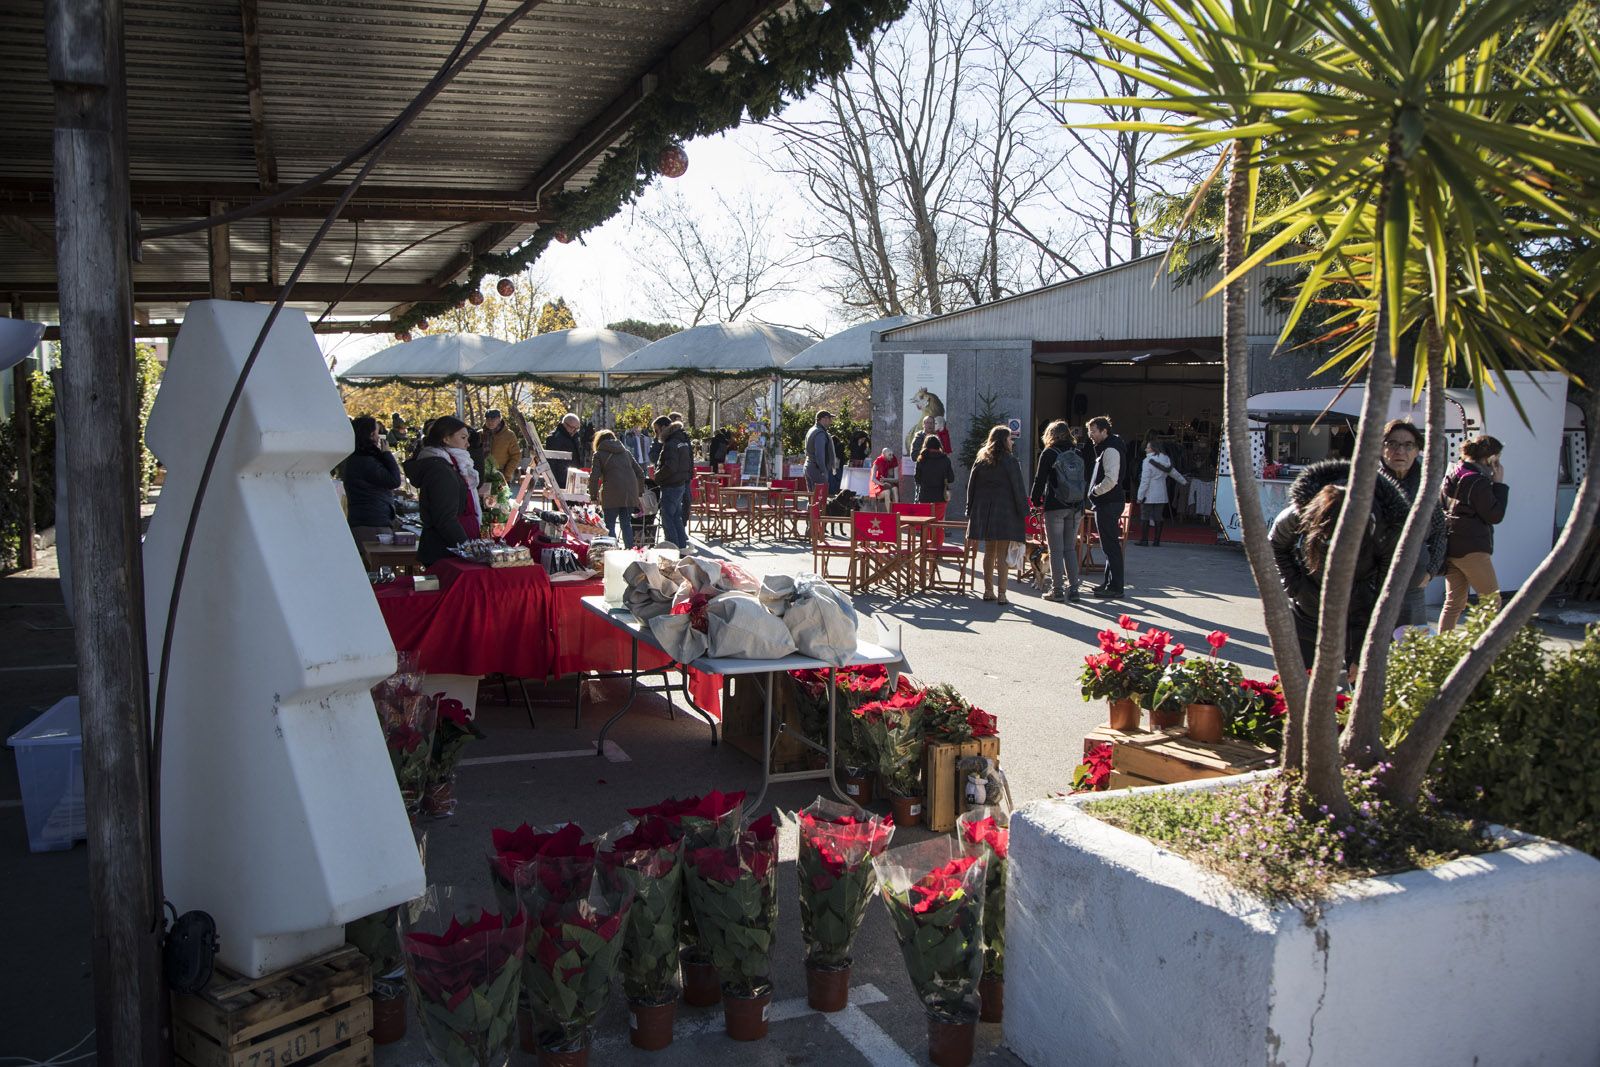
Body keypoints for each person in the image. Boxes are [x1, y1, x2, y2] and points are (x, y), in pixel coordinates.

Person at [1269, 459, 1407, 670]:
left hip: (1359, 613)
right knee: (1300, 677)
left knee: (1359, 683)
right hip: (1308, 608)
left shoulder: (1387, 529)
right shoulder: (1301, 514)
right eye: (1329, 539)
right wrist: (1295, 585)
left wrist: (1362, 649)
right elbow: (1275, 544)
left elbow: (1386, 589)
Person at [1379, 418, 1448, 627]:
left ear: (1417, 450)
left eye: (1408, 445)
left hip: (1413, 588)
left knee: (1409, 650)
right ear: (1382, 449)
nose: (1400, 451)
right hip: (1372, 587)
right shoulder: (1369, 485)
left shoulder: (1425, 488)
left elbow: (1439, 531)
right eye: (1392, 444)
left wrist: (1431, 570)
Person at [1439, 434, 1509, 631]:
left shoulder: (1454, 473)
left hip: (1452, 546)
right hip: (1473, 548)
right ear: (1491, 458)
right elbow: (1494, 515)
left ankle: (1442, 648)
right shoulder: (1477, 481)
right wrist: (1499, 484)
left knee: (1453, 604)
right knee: (1491, 602)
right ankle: (1481, 649)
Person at [402, 415, 485, 567]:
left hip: (449, 548)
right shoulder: (441, 470)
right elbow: (445, 518)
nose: (467, 444)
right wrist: (468, 549)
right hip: (445, 552)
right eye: (463, 438)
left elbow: (474, 484)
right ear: (446, 439)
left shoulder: (454, 464)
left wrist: (477, 449)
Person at [966, 425, 1028, 605]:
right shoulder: (1011, 461)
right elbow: (1018, 488)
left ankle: (987, 591)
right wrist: (1023, 510)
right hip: (1004, 511)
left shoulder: (981, 459)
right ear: (1003, 440)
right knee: (1002, 553)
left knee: (989, 552)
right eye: (1010, 439)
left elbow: (971, 485)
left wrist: (970, 509)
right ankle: (1002, 594)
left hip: (983, 510)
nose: (1012, 442)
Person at [1030, 419, 1089, 602]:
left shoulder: (1049, 453)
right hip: (1076, 506)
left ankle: (1057, 590)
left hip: (1055, 505)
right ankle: (1074, 589)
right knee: (1070, 548)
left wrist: (1035, 500)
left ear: (1050, 435)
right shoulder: (1078, 452)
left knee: (1055, 550)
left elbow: (1039, 480)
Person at [1086, 416, 1128, 598]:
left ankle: (1116, 587)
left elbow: (1111, 479)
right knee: (1108, 546)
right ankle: (1109, 583)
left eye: (1093, 431)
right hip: (1107, 502)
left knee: (1111, 546)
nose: (1090, 435)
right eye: (1089, 431)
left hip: (1108, 502)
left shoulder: (1111, 449)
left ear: (1104, 431)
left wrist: (1095, 492)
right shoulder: (1108, 447)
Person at [343, 416, 402, 543]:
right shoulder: (365, 461)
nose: (379, 437)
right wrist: (387, 454)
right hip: (372, 523)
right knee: (378, 560)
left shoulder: (356, 458)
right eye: (377, 432)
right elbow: (394, 480)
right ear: (371, 435)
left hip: (366, 519)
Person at [590, 428, 647, 548]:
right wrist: (639, 493)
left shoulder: (599, 454)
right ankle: (631, 551)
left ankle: (612, 550)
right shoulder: (625, 452)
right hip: (629, 494)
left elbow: (594, 477)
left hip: (611, 493)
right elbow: (640, 473)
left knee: (609, 524)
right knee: (626, 524)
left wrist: (593, 496)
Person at [652, 414, 694, 549]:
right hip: (680, 482)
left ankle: (673, 548)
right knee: (676, 517)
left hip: (671, 484)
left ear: (664, 427)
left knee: (668, 518)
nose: (656, 434)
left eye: (656, 430)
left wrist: (657, 476)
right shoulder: (682, 439)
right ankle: (681, 547)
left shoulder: (671, 443)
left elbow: (671, 466)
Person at [1135, 441, 1182, 546]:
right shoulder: (1166, 459)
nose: (1145, 449)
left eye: (1147, 448)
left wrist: (1140, 496)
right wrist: (1183, 481)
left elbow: (1145, 481)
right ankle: (1156, 541)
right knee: (1158, 517)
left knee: (1145, 516)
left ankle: (1144, 540)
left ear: (1153, 449)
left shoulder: (1147, 461)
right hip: (1161, 491)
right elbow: (1173, 472)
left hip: (1148, 493)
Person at [480, 408, 522, 485]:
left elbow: (516, 455)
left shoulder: (509, 435)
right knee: (483, 496)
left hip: (501, 475)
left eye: (493, 419)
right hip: (482, 474)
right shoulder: (480, 434)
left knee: (500, 496)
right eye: (488, 419)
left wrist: (507, 474)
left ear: (499, 419)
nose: (490, 422)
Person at [544, 412, 584, 492]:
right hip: (561, 480)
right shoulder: (555, 438)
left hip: (573, 478)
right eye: (573, 428)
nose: (575, 431)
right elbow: (551, 462)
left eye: (577, 428)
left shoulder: (574, 436)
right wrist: (553, 483)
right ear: (565, 424)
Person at [804, 410, 839, 493]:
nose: (831, 421)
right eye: (829, 418)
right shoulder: (820, 433)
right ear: (823, 419)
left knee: (812, 497)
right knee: (820, 498)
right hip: (817, 469)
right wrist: (823, 470)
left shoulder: (812, 430)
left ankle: (810, 506)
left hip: (809, 466)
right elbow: (820, 454)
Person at [914, 437, 954, 505]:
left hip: (925, 497)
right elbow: (951, 479)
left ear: (926, 446)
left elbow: (917, 479)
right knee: (939, 516)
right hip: (940, 497)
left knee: (926, 515)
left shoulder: (921, 459)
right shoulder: (945, 460)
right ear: (939, 445)